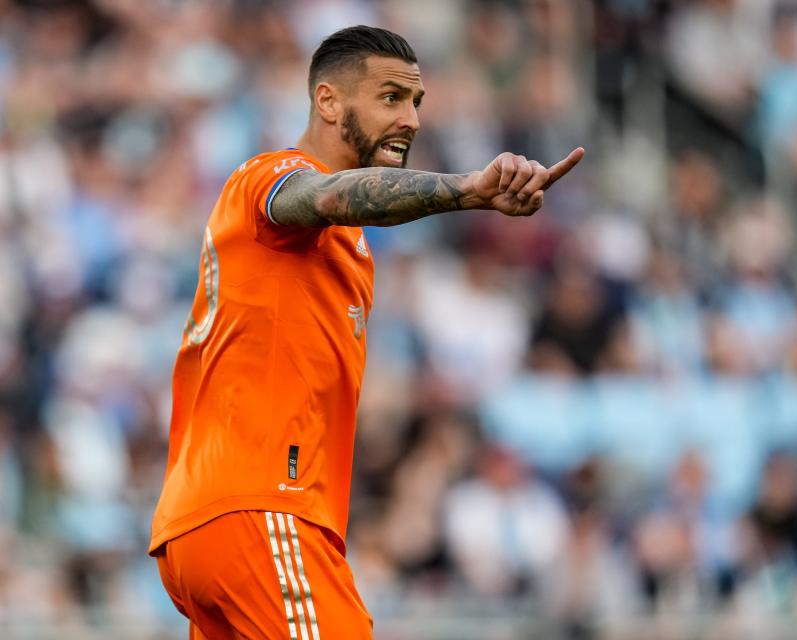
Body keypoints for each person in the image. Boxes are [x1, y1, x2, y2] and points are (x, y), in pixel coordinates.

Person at [148, 25, 583, 640]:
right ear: (328, 101)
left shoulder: (347, 249)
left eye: (416, 103)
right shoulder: (270, 178)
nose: (409, 119)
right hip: (262, 508)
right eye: (390, 98)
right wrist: (465, 190)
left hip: (214, 523)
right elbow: (325, 195)